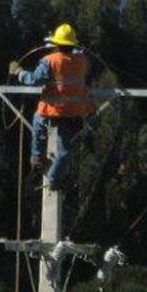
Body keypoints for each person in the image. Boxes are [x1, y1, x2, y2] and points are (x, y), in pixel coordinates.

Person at [9, 23, 94, 190]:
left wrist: (18, 72)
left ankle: (37, 157)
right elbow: (80, 68)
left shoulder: (50, 60)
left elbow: (34, 80)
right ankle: (54, 180)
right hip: (73, 113)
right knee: (64, 151)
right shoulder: (83, 61)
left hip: (53, 109)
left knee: (38, 122)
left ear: (56, 44)